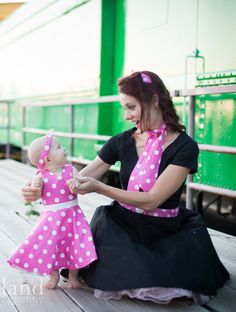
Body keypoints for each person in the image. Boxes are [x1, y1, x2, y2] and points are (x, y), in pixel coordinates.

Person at [21, 71, 229, 304]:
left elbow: (153, 199)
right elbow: (77, 179)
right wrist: (38, 185)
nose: (127, 115)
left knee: (165, 277)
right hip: (122, 224)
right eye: (124, 108)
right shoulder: (121, 140)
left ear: (154, 100)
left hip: (165, 227)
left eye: (131, 107)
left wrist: (100, 188)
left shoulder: (185, 147)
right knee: (118, 268)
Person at [8, 132, 97, 289]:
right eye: (58, 147)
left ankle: (73, 276)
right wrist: (33, 186)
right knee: (51, 247)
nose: (63, 148)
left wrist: (76, 184)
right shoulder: (41, 175)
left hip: (73, 217)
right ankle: (54, 275)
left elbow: (80, 181)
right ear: (48, 160)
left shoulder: (70, 169)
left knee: (75, 246)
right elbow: (32, 188)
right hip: (51, 220)